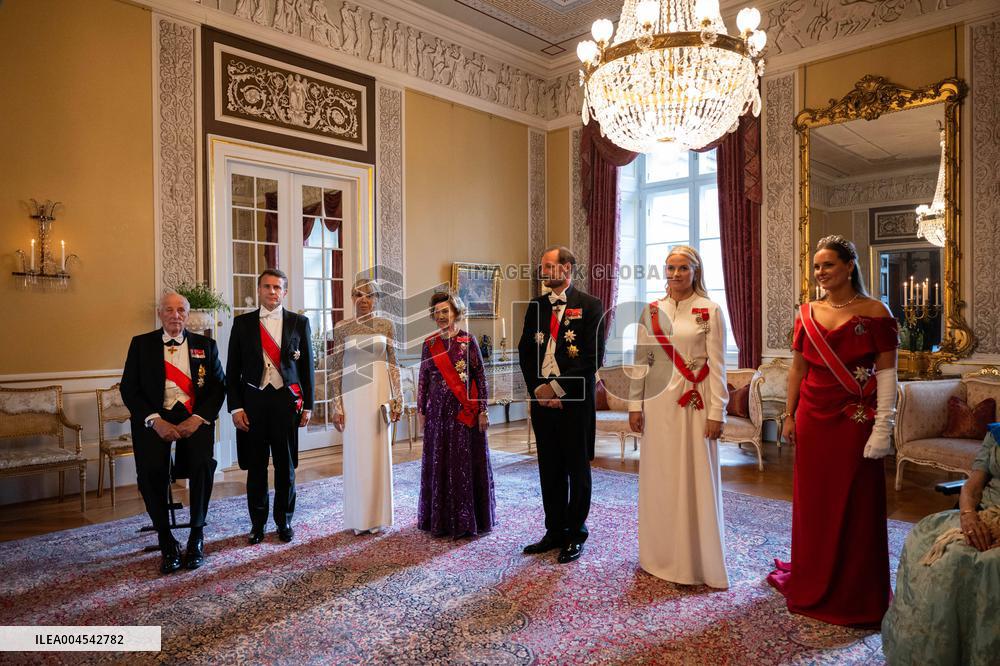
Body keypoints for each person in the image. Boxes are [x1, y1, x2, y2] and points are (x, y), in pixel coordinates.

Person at [767, 234, 899, 627]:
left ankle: (856, 589)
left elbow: (889, 373)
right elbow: (797, 370)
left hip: (856, 421)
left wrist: (883, 428)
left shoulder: (876, 311)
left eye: (828, 265)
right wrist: (789, 415)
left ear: (849, 266)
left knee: (856, 500)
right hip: (813, 417)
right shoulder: (806, 313)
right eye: (817, 267)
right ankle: (814, 574)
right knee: (815, 502)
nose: (821, 273)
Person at [627, 246, 730, 588]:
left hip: (693, 405)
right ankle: (658, 554)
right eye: (670, 268)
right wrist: (634, 405)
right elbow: (641, 361)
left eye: (682, 268)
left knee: (692, 477)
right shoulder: (652, 311)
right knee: (661, 478)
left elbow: (717, 366)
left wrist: (718, 411)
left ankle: (694, 559)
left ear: (695, 271)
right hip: (657, 406)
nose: (675, 274)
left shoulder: (710, 311)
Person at [120, 292, 226, 574]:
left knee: (203, 465)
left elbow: (218, 387)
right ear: (160, 313)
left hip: (194, 416)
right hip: (156, 417)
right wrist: (155, 421)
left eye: (181, 310)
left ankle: (196, 536)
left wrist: (199, 418)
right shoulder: (141, 345)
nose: (175, 315)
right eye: (169, 309)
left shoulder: (206, 345)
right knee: (151, 471)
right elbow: (129, 388)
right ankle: (166, 540)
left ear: (187, 314)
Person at [882, 425, 1000, 664]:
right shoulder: (996, 434)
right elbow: (972, 486)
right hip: (983, 512)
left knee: (976, 563)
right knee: (925, 542)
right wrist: (968, 515)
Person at [517, 246, 605, 563]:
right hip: (542, 403)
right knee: (549, 469)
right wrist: (538, 390)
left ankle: (575, 533)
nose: (542, 271)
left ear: (566, 268)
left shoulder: (591, 306)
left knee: (576, 470)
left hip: (575, 403)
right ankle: (553, 531)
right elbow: (525, 353)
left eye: (548, 266)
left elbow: (591, 358)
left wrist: (556, 389)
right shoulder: (536, 306)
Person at [226, 268, 314, 545]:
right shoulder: (242, 324)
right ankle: (257, 523)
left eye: (277, 287)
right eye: (267, 287)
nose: (272, 291)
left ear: (284, 292)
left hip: (286, 403)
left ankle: (284, 520)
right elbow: (232, 370)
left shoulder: (299, 323)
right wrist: (235, 407)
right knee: (256, 467)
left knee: (286, 467)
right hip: (253, 402)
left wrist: (308, 406)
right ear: (259, 290)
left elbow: (307, 367)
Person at [416, 292, 496, 537]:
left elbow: (480, 377)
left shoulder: (468, 341)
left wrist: (482, 410)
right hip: (438, 414)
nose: (441, 316)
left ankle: (466, 521)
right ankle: (440, 521)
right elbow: (423, 381)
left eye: (445, 311)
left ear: (455, 313)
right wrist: (421, 412)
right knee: (440, 463)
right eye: (437, 312)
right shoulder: (429, 344)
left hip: (464, 413)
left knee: (463, 464)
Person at [331, 278, 401, 535]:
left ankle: (378, 516)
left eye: (369, 295)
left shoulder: (387, 325)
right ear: (351, 298)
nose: (363, 299)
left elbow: (393, 363)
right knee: (356, 456)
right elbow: (335, 368)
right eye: (358, 294)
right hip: (353, 398)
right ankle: (358, 517)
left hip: (379, 396)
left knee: (378, 454)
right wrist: (336, 405)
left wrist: (398, 400)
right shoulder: (341, 328)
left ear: (376, 298)